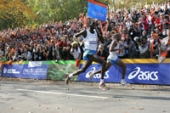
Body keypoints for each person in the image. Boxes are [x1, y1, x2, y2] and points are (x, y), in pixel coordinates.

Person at [65, 20, 108, 90]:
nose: (94, 25)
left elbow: (102, 41)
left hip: (93, 53)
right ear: (89, 25)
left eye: (95, 24)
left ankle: (69, 76)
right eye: (92, 24)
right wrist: (79, 42)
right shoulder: (86, 32)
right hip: (88, 52)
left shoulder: (96, 32)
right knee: (104, 62)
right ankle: (101, 83)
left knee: (83, 70)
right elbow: (75, 36)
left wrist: (100, 34)